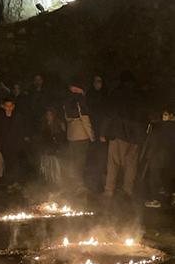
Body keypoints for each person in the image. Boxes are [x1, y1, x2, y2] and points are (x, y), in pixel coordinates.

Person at [101, 70, 145, 200]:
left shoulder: (116, 93)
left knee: (113, 163)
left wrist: (103, 132)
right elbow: (143, 115)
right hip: (135, 136)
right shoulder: (138, 95)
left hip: (118, 134)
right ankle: (128, 190)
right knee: (131, 165)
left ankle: (109, 190)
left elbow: (109, 114)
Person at [143, 108, 175, 208]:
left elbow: (155, 141)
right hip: (169, 157)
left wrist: (150, 154)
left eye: (165, 114)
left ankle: (155, 200)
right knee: (166, 176)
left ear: (172, 115)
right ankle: (172, 194)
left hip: (158, 155)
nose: (163, 117)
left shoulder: (162, 127)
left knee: (154, 177)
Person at [62, 78, 94, 189]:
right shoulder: (80, 100)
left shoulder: (67, 100)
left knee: (73, 160)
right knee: (80, 160)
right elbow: (85, 119)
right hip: (81, 135)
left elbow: (66, 117)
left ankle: (72, 182)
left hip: (71, 135)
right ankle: (79, 184)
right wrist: (92, 136)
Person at [0, 96, 25, 189]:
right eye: (7, 106)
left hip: (15, 145)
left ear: (13, 106)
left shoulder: (18, 116)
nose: (9, 108)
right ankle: (8, 183)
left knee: (15, 164)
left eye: (10, 106)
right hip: (4, 145)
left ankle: (14, 182)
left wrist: (20, 144)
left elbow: (20, 131)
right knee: (6, 163)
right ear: (3, 106)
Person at [85, 73, 108, 193]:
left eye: (99, 81)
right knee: (93, 159)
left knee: (103, 160)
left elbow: (107, 115)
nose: (97, 84)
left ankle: (101, 185)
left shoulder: (105, 96)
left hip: (103, 134)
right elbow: (87, 113)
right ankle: (93, 185)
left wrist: (103, 133)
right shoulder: (90, 95)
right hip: (92, 131)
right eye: (95, 81)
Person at [37, 107, 65, 187]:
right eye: (47, 115)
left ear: (54, 115)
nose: (49, 116)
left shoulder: (58, 124)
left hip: (54, 150)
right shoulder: (43, 125)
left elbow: (61, 138)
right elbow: (42, 138)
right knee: (46, 167)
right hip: (46, 150)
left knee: (55, 167)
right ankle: (47, 182)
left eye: (50, 115)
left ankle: (56, 182)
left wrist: (58, 147)